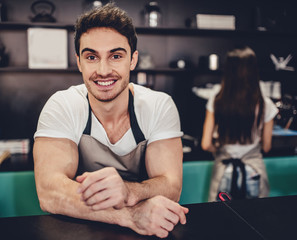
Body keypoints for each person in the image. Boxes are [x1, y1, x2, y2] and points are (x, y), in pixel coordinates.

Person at [33, 3, 188, 238]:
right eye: (92, 57)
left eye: (115, 56)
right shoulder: (62, 106)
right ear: (79, 62)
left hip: (147, 230)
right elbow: (49, 192)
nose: (103, 70)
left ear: (133, 60)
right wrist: (130, 215)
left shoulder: (158, 105)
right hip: (80, 229)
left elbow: (171, 186)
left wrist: (128, 191)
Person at [201, 46, 278, 201]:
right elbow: (267, 146)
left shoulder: (216, 100)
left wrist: (217, 150)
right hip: (253, 171)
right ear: (254, 71)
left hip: (224, 170)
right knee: (254, 220)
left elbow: (205, 144)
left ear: (228, 71)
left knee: (222, 219)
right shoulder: (265, 104)